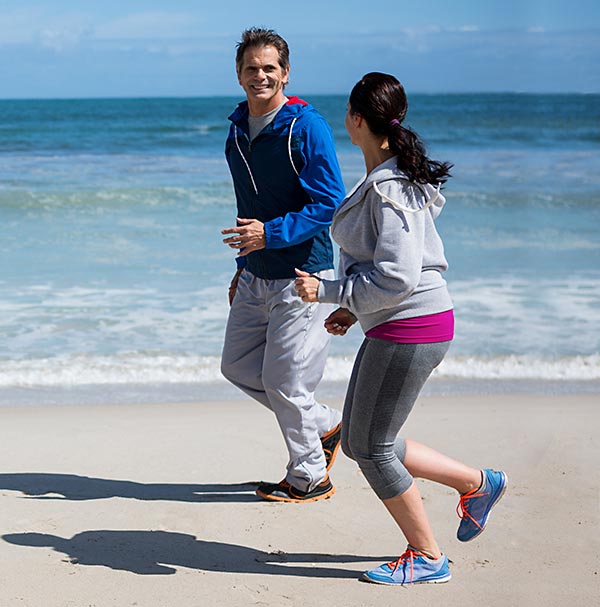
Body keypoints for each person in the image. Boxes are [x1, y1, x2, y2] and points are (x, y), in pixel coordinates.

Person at [294, 72, 507, 585]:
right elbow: (386, 270)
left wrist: (326, 291)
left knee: (368, 446)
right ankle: (478, 484)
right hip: (404, 323)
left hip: (413, 326)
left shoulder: (390, 189)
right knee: (370, 435)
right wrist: (354, 308)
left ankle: (427, 555)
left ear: (356, 120)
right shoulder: (386, 180)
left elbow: (397, 275)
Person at [220, 28, 346, 503]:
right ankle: (323, 424)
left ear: (285, 73)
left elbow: (330, 202)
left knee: (284, 381)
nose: (260, 76)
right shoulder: (236, 129)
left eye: (269, 68)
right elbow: (248, 203)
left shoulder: (305, 126)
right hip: (255, 273)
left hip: (303, 276)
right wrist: (243, 261)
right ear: (239, 74)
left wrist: (269, 235)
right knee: (235, 365)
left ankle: (309, 475)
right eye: (251, 68)